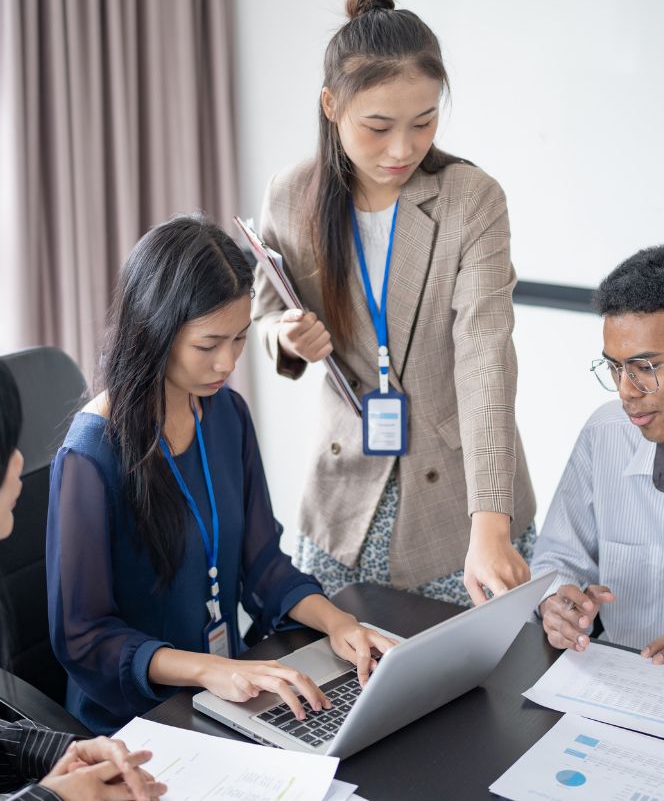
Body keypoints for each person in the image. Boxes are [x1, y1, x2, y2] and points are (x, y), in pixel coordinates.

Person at [46, 216, 393, 735]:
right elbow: (84, 636)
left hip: (231, 694)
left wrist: (341, 625)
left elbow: (264, 565)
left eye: (240, 339)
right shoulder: (91, 455)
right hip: (138, 722)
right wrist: (213, 669)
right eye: (208, 346)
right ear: (153, 330)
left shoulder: (226, 414)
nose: (227, 362)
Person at [253, 0, 536, 607]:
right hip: (341, 496)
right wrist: (285, 336)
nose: (403, 149)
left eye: (424, 122)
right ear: (331, 105)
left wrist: (491, 523)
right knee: (339, 685)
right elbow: (266, 310)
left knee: (469, 685)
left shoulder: (472, 199)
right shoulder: (289, 195)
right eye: (377, 127)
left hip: (462, 500)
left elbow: (485, 355)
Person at [532, 243, 664, 672]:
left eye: (645, 367)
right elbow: (555, 561)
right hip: (623, 698)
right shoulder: (606, 435)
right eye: (614, 367)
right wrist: (556, 601)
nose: (626, 390)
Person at [0, 360, 166, 801]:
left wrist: (59, 752)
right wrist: (56, 797)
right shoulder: (92, 447)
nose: (20, 460)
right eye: (5, 450)